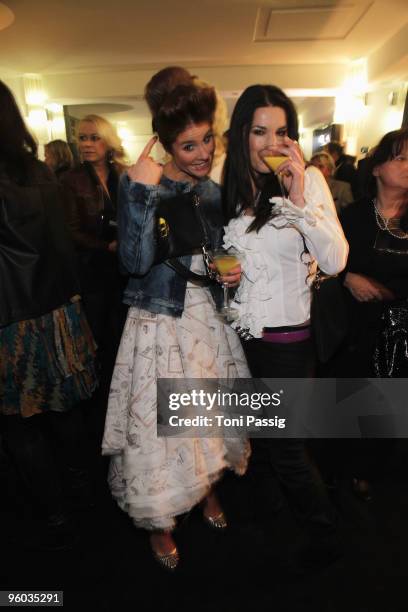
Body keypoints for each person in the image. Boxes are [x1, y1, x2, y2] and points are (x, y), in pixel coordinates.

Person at [102, 67, 250, 570]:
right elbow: (134, 263)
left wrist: (232, 270)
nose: (204, 152)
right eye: (189, 146)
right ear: (165, 144)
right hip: (161, 321)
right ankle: (162, 521)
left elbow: (221, 249)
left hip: (208, 319)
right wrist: (141, 193)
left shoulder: (213, 188)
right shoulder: (141, 183)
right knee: (166, 430)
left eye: (207, 139)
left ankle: (206, 488)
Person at [222, 84, 349, 564]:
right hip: (243, 337)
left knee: (289, 449)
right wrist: (222, 273)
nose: (272, 143)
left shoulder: (308, 180)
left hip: (289, 341)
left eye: (281, 132)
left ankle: (325, 537)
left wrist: (298, 200)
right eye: (259, 131)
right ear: (242, 135)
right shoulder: (231, 187)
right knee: (262, 439)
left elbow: (335, 261)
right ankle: (271, 517)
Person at [0, 80, 98, 549]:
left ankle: (55, 511)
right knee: (65, 410)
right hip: (57, 312)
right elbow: (63, 247)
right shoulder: (39, 171)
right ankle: (82, 492)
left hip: (9, 320)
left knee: (21, 424)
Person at [332, 128, 408, 500]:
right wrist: (347, 278)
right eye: (401, 158)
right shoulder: (353, 215)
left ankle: (375, 470)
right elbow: (324, 263)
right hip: (355, 328)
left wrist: (388, 293)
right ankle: (348, 467)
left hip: (401, 330)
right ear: (377, 168)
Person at [60, 114, 128, 361]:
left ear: (108, 142)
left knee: (122, 329)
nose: (87, 144)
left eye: (94, 138)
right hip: (91, 268)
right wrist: (106, 246)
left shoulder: (122, 174)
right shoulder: (71, 179)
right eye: (82, 138)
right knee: (97, 333)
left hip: (123, 266)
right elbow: (70, 230)